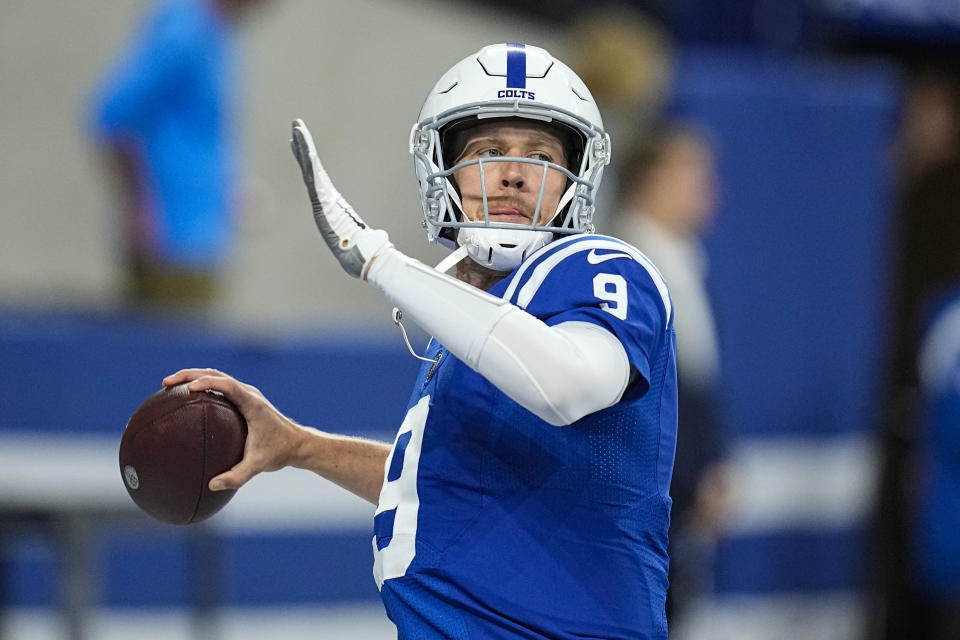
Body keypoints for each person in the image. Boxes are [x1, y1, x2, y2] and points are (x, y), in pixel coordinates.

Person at [164, 43, 678, 639]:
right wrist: (299, 446)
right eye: (489, 152)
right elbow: (435, 485)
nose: (513, 173)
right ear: (444, 169)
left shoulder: (600, 266)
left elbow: (566, 385)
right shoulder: (474, 320)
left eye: (539, 156)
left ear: (574, 178)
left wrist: (378, 261)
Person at [614, 123, 730, 629]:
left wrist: (711, 466)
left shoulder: (679, 262)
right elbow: (646, 390)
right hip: (644, 502)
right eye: (692, 175)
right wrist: (689, 477)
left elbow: (697, 383)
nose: (708, 191)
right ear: (649, 181)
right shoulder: (627, 269)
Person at [90, 0, 264, 308]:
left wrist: (229, 189)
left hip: (201, 238)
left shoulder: (213, 32)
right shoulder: (185, 32)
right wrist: (140, 207)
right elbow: (113, 117)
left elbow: (198, 133)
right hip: (172, 245)